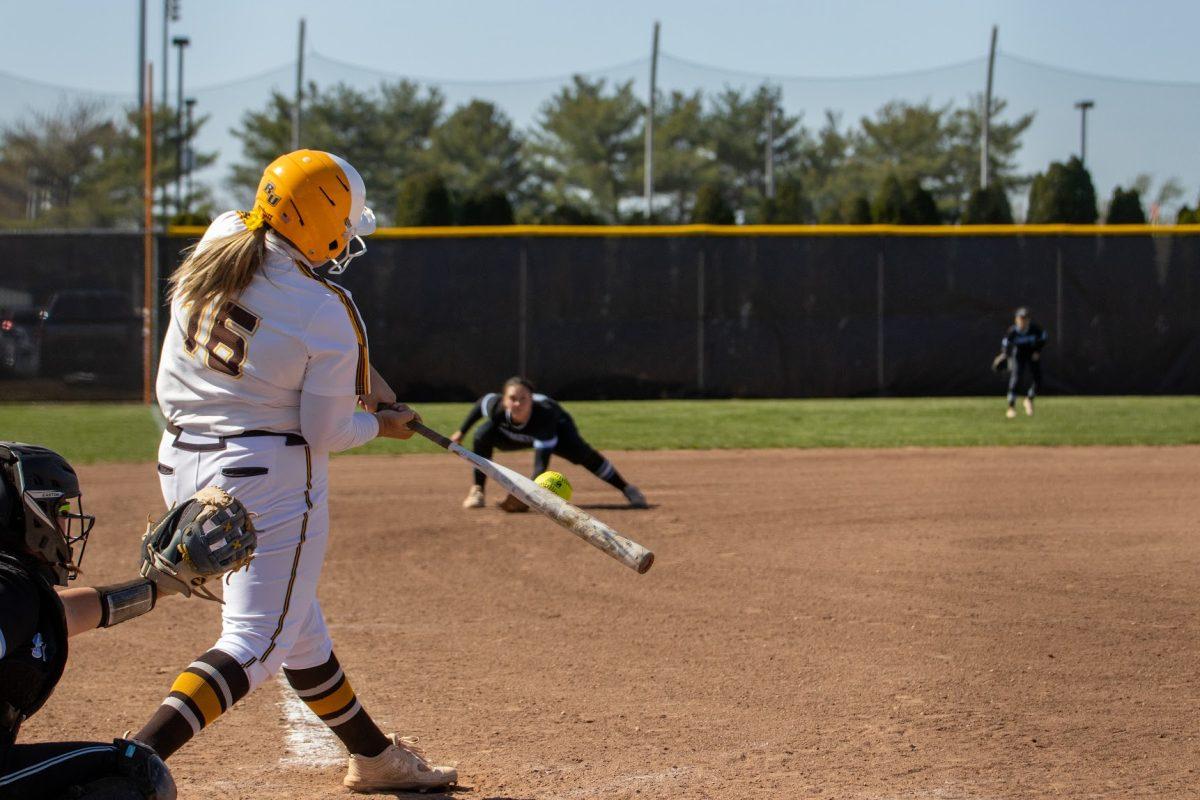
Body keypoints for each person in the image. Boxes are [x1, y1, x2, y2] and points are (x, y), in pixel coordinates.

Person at [137, 150, 456, 793]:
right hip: (266, 480)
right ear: (328, 228)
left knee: (295, 623)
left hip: (182, 463)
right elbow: (327, 430)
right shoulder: (325, 307)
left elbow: (309, 362)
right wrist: (382, 426)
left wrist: (371, 389)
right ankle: (127, 761)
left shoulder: (224, 234)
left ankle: (374, 757)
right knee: (256, 641)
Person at [0, 441, 177, 799]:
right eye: (59, 508)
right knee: (136, 772)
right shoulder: (9, 587)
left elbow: (69, 614)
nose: (66, 522)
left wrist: (158, 588)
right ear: (30, 514)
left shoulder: (16, 590)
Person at [451, 377, 648, 510]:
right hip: (512, 435)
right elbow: (480, 404)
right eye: (512, 399)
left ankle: (627, 488)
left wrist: (524, 496)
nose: (517, 404)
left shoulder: (544, 416)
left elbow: (540, 466)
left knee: (582, 453)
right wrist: (461, 431)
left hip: (559, 428)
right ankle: (478, 490)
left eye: (523, 399)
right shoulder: (496, 408)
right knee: (482, 434)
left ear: (532, 400)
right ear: (504, 400)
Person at [1001, 306, 1048, 418]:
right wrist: (1004, 354)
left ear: (1028, 320)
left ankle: (1029, 399)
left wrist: (1037, 351)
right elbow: (1005, 343)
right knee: (1016, 379)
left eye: (1025, 318)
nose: (1023, 320)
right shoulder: (1013, 331)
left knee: (1038, 379)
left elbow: (1044, 337)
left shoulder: (1034, 329)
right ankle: (1011, 408)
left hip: (1032, 355)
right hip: (1018, 355)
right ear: (1016, 320)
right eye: (1020, 318)